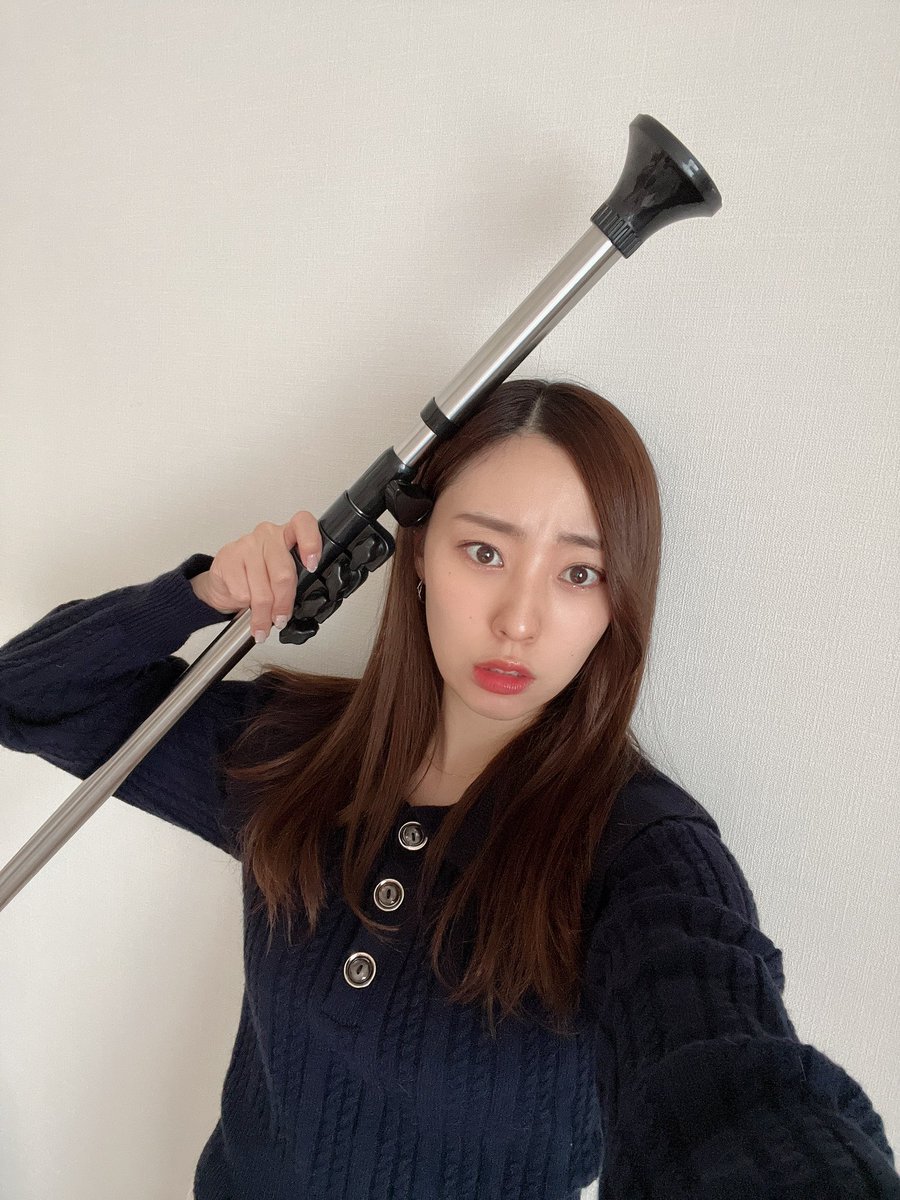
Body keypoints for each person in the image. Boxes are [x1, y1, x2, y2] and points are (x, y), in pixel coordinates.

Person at [0, 377, 896, 1200]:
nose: (519, 620)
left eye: (578, 573)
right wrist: (199, 597)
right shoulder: (294, 754)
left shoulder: (641, 850)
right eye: (484, 551)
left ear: (618, 602)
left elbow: (723, 1067)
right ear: (420, 553)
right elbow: (26, 695)